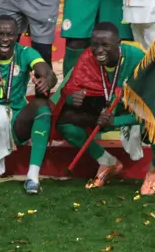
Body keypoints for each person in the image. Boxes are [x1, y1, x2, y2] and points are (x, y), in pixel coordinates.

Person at [0, 15, 56, 196]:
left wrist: (47, 81)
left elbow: (46, 71)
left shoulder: (25, 53)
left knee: (41, 105)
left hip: (16, 117)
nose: (5, 39)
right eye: (0, 34)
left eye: (10, 34)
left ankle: (33, 177)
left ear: (17, 36)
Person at [56, 22, 147, 190]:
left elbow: (152, 106)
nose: (99, 50)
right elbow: (70, 88)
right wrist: (71, 98)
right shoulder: (87, 57)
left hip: (132, 112)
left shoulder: (136, 57)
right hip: (102, 110)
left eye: (105, 45)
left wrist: (116, 122)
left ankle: (154, 172)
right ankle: (106, 161)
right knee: (65, 119)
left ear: (118, 44)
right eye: (95, 45)